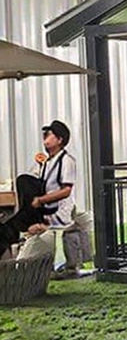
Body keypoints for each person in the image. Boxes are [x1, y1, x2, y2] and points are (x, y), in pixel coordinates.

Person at [14, 120, 92, 279]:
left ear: (60, 139)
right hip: (48, 209)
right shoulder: (45, 162)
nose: (45, 139)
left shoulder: (67, 162)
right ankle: (57, 268)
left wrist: (42, 202)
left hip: (61, 208)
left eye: (49, 136)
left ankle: (70, 267)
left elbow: (66, 190)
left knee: (71, 229)